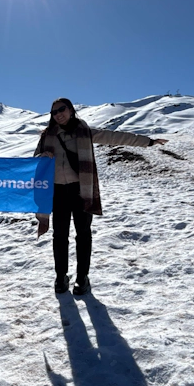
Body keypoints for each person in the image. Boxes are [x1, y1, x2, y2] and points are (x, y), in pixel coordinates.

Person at [35, 98, 168, 295]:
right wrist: (42, 157)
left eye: (61, 109)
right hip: (58, 191)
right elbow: (34, 160)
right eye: (54, 112)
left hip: (81, 190)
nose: (58, 114)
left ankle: (82, 278)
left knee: (83, 234)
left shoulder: (84, 131)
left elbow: (115, 137)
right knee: (60, 235)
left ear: (71, 110)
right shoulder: (47, 136)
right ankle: (60, 277)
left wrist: (147, 141)